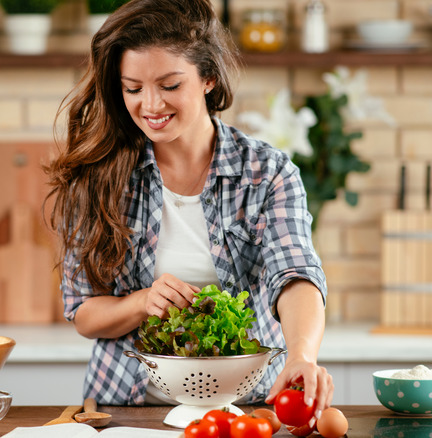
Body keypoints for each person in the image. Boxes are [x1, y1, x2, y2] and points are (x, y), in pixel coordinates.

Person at [45, 0, 333, 423]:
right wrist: (143, 301)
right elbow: (85, 313)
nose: (150, 105)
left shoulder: (267, 173)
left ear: (209, 78)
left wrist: (302, 354)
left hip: (248, 408)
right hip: (125, 410)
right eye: (133, 88)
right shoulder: (97, 177)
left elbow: (294, 274)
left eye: (170, 85)